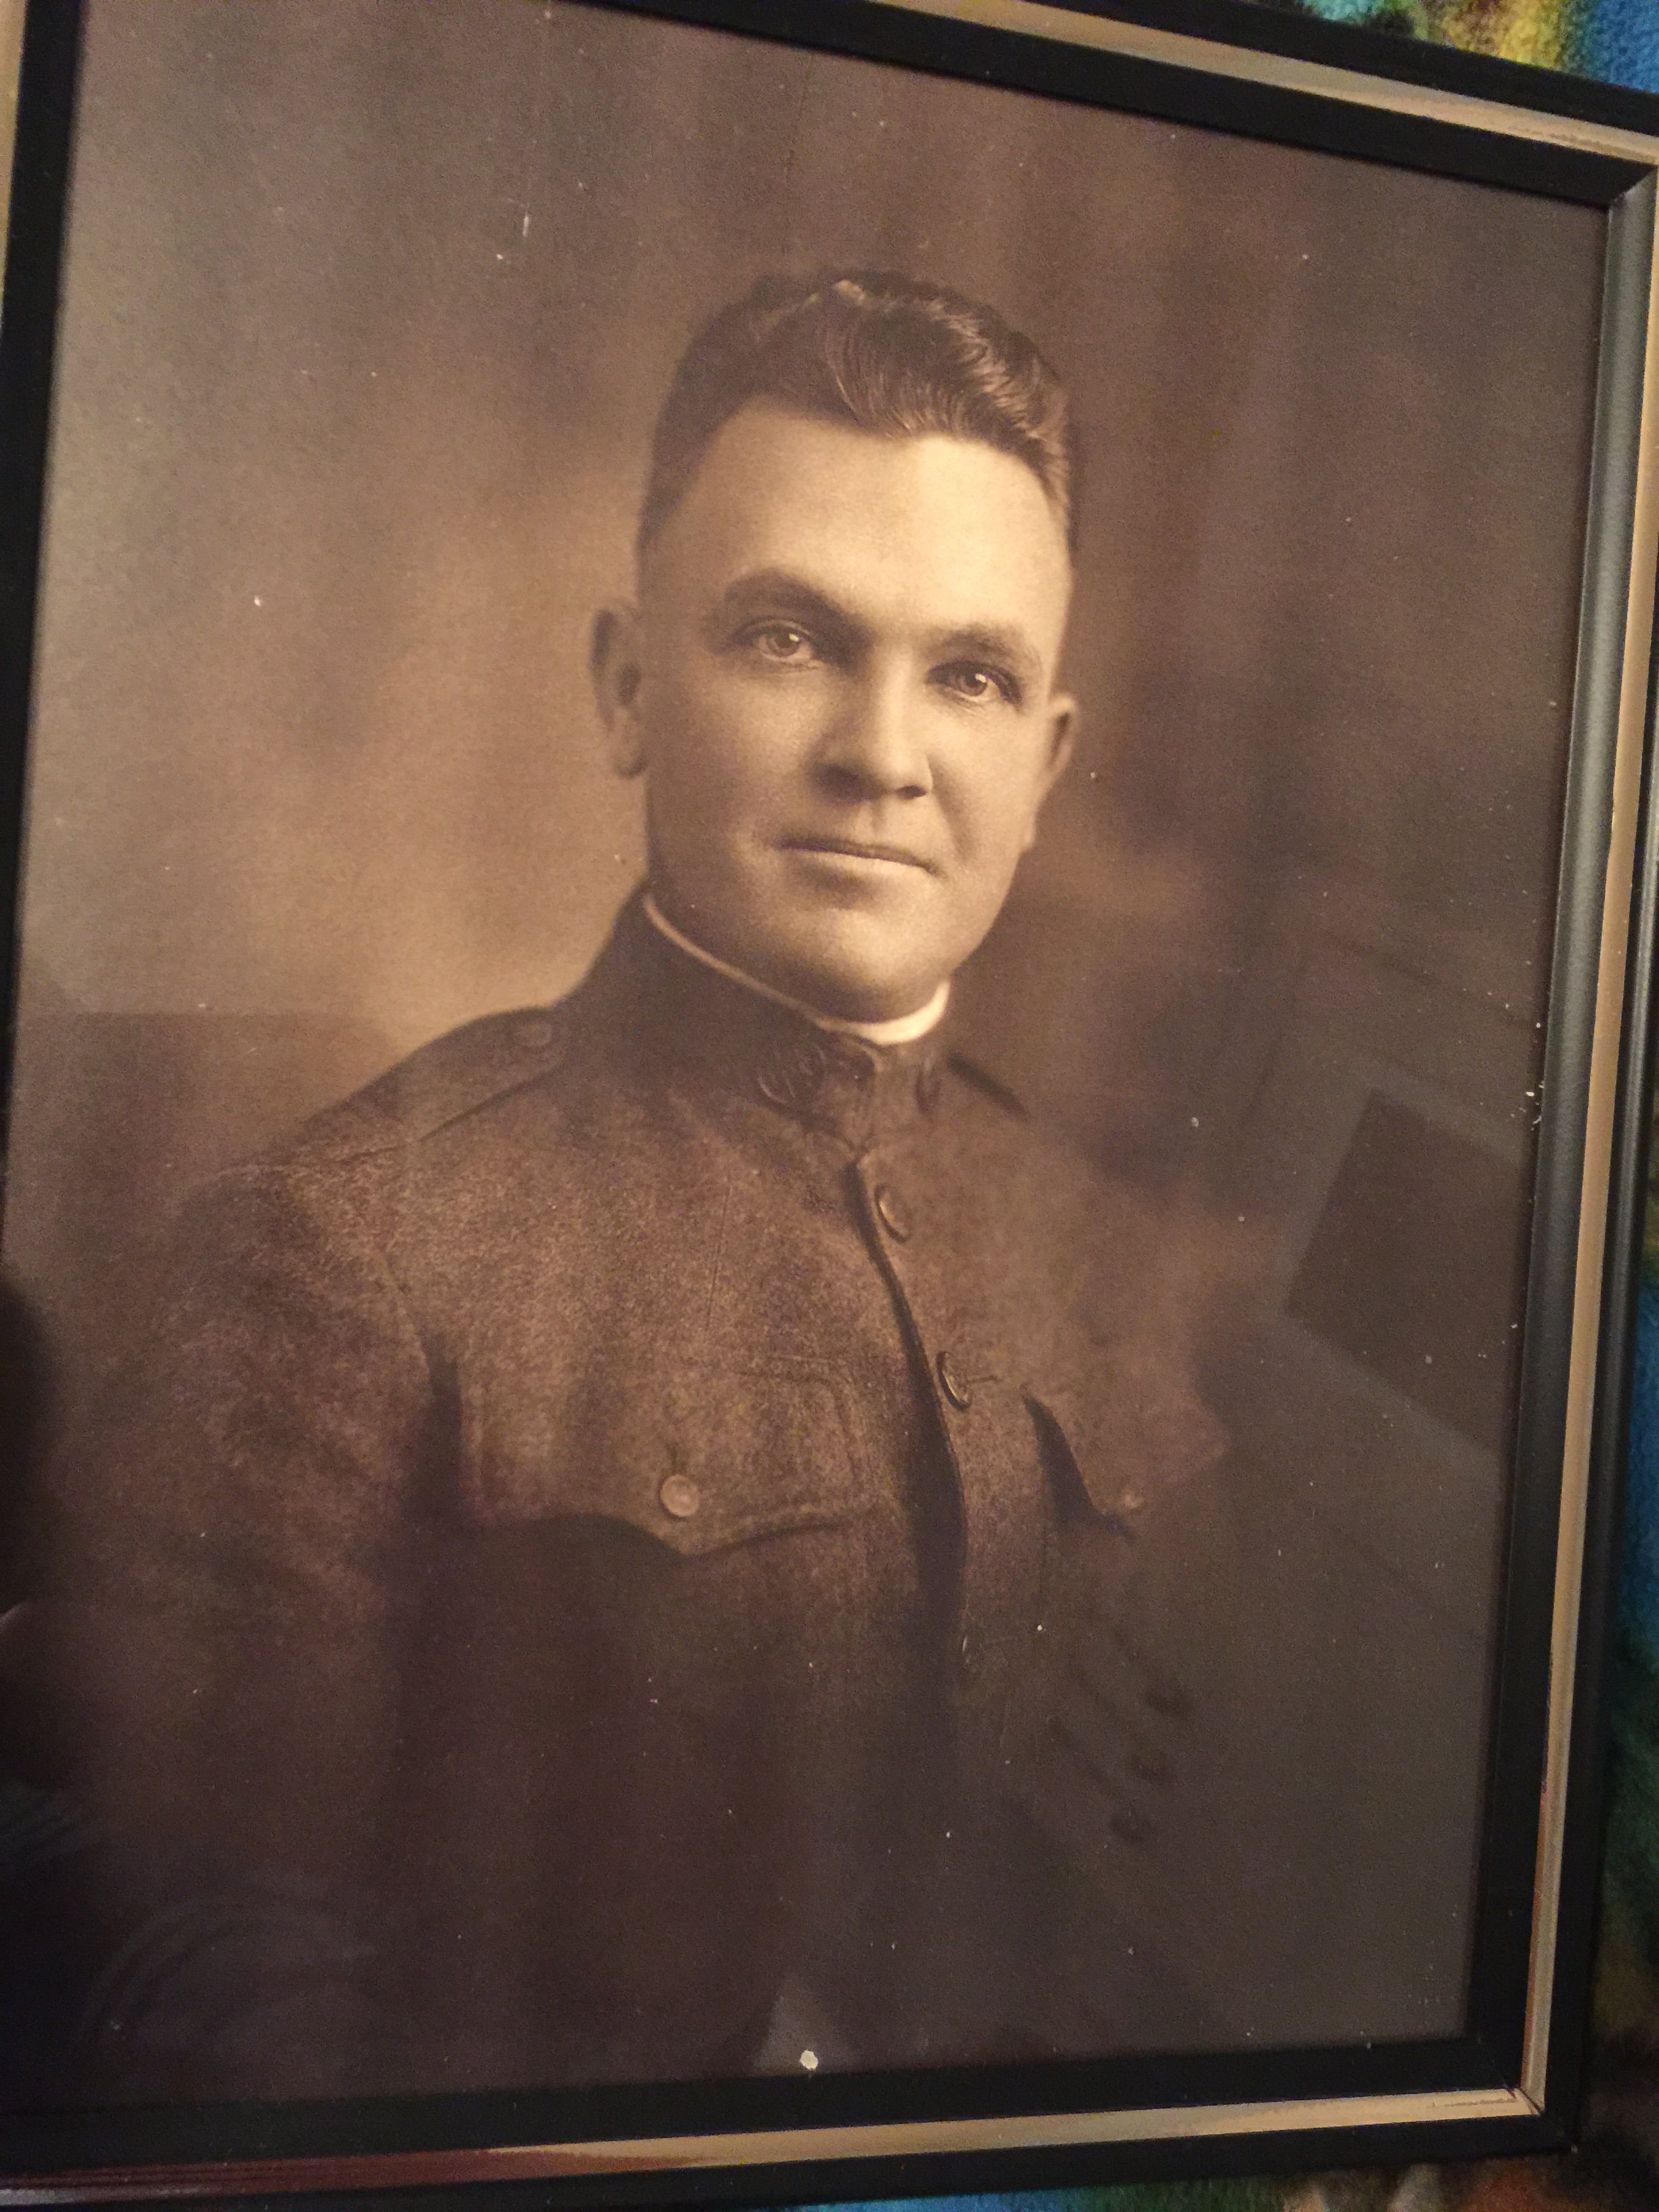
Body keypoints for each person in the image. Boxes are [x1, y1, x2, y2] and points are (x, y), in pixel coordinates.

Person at [46, 270, 1228, 2100]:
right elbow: (190, 1979)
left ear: (1046, 763)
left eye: (971, 676)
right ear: (627, 687)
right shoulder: (350, 1247)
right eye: (789, 639)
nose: (884, 754)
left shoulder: (1107, 1247)